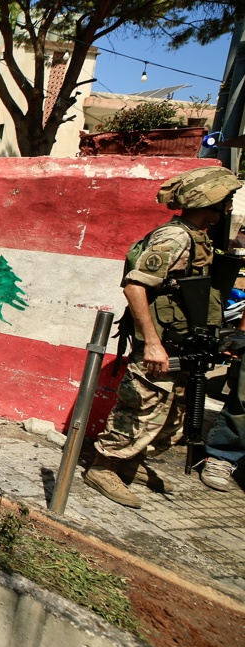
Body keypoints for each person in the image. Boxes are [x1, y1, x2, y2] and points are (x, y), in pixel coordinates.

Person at [85, 166, 243, 508]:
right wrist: (153, 344)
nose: (229, 207)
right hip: (161, 345)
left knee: (173, 418)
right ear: (209, 201)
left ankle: (131, 462)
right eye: (226, 200)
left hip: (182, 343)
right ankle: (103, 466)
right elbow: (135, 286)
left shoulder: (199, 238)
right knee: (140, 409)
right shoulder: (174, 238)